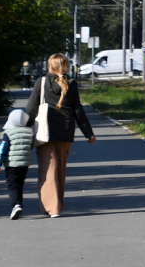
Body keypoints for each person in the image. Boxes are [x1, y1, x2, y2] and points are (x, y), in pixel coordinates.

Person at [23, 53, 95, 217]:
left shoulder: (41, 82)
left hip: (44, 131)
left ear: (50, 66)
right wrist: (88, 133)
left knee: (48, 169)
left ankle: (52, 207)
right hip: (65, 130)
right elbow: (78, 110)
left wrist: (24, 129)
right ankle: (57, 204)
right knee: (60, 170)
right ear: (66, 66)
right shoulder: (71, 83)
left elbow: (31, 108)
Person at [0, 108, 34, 219]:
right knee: (20, 184)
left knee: (13, 185)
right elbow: (31, 145)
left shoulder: (8, 132)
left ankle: (16, 205)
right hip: (24, 163)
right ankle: (19, 205)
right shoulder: (29, 132)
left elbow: (3, 148)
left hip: (11, 164)